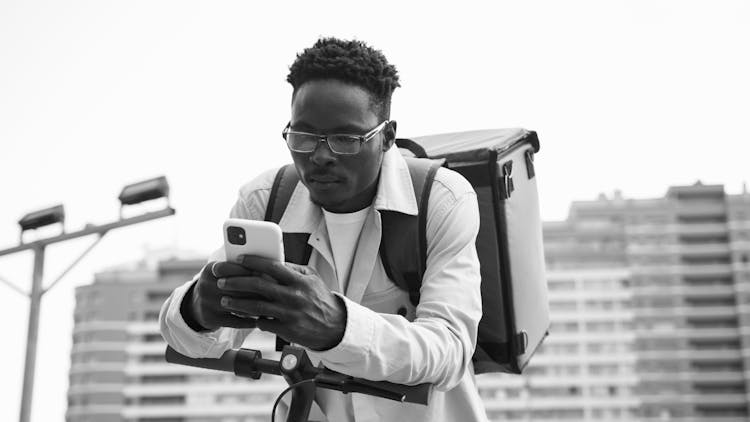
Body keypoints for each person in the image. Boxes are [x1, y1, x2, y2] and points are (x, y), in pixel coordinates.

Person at [159, 37, 488, 422]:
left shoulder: (443, 199)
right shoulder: (265, 201)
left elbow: (449, 350)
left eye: (345, 139)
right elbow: (189, 339)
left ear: (387, 136)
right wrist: (199, 309)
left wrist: (336, 326)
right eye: (303, 137)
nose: (319, 155)